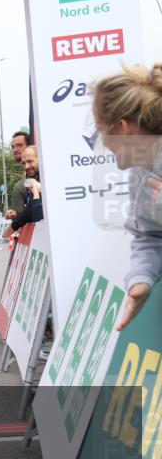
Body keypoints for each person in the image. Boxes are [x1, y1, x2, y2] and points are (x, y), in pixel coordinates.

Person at [93, 62, 162, 330]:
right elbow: (150, 234)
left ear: (121, 127)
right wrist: (141, 277)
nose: (101, 142)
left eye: (100, 130)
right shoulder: (139, 173)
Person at [3, 146, 43, 239]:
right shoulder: (31, 180)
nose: (26, 166)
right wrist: (16, 215)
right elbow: (32, 211)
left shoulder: (49, 178)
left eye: (30, 161)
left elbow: (38, 213)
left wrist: (13, 226)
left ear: (41, 159)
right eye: (24, 163)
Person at [7, 130, 32, 220]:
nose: (15, 150)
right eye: (13, 147)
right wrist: (15, 214)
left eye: (19, 145)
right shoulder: (23, 184)